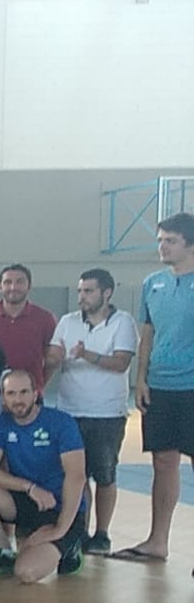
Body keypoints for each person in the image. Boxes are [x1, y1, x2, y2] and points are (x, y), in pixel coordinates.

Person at [115, 213, 194, 566]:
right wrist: (141, 378)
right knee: (163, 462)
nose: (163, 247)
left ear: (190, 245)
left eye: (171, 241)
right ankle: (157, 541)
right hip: (161, 385)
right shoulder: (153, 283)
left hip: (192, 386)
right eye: (160, 240)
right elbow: (147, 333)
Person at [0, 370, 88, 582]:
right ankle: (4, 551)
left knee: (26, 572)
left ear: (35, 394)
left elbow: (76, 476)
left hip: (60, 508)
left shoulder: (61, 422)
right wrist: (29, 487)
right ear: (3, 397)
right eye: (11, 393)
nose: (18, 400)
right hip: (28, 500)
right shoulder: (1, 424)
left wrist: (59, 529)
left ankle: (71, 546)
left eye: (23, 392)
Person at [45, 269, 138, 555]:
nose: (82, 297)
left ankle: (102, 533)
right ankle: (79, 530)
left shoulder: (123, 322)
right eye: (80, 291)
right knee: (76, 475)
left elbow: (121, 363)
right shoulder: (67, 321)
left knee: (105, 474)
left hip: (106, 413)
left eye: (88, 291)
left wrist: (86, 355)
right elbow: (53, 355)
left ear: (106, 293)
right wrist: (51, 361)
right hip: (69, 410)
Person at [0, 264, 56, 391]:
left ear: (29, 286)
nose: (13, 287)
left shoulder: (45, 319)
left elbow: (52, 360)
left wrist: (38, 386)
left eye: (20, 282)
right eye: (8, 282)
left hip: (29, 395)